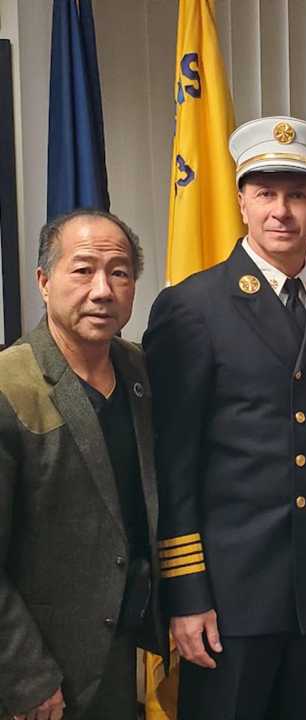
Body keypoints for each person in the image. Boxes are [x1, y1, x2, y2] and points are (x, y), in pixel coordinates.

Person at [143, 116, 306, 720]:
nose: (281, 211)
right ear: (241, 202)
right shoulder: (192, 306)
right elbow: (172, 463)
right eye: (265, 193)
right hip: (231, 600)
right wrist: (185, 594)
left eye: (298, 195)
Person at [0, 209, 164, 719]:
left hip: (120, 650)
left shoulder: (140, 369)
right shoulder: (9, 385)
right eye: (83, 270)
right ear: (44, 282)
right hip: (42, 668)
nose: (102, 290)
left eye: (119, 272)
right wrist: (26, 675)